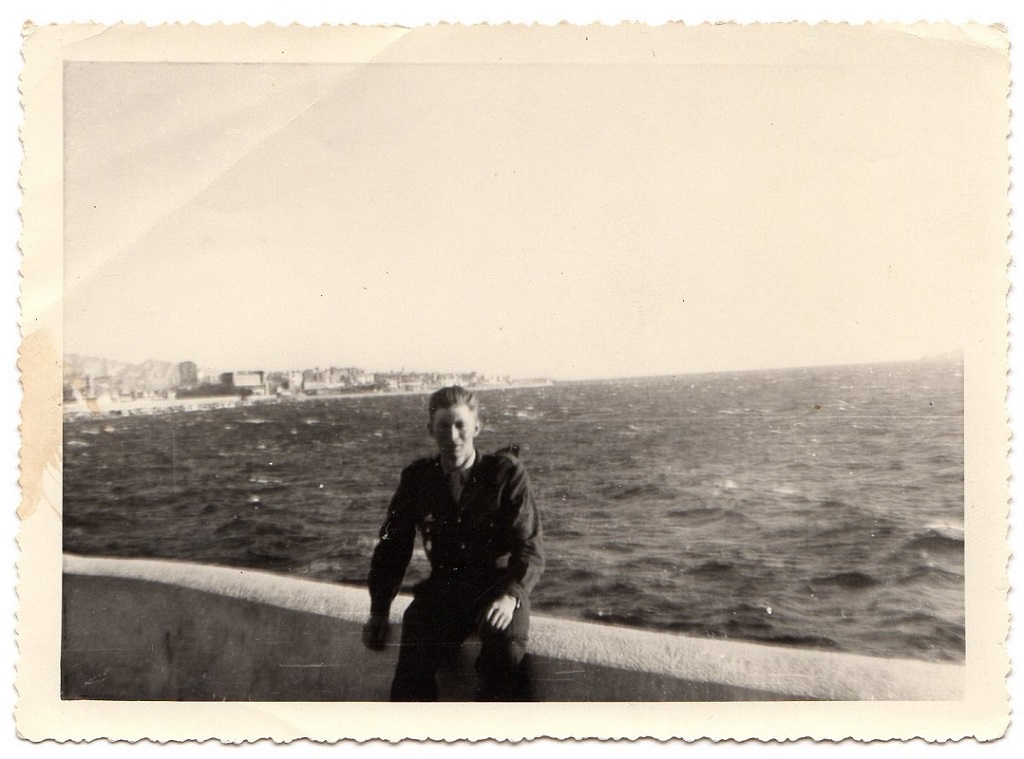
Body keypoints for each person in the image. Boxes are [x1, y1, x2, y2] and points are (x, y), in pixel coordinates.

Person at [362, 386, 544, 701]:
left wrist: (511, 596)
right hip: (445, 590)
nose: (453, 435)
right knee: (413, 662)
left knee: (505, 650)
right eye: (443, 426)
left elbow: (529, 546)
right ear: (431, 429)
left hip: (497, 587)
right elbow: (393, 547)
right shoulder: (418, 479)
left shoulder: (505, 475)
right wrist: (379, 610)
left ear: (477, 427)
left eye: (461, 425)